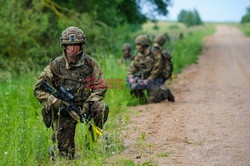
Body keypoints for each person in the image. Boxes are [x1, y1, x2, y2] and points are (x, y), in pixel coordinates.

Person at [34, 26, 109, 160]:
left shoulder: (90, 63)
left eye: (75, 45)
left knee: (102, 108)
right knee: (65, 156)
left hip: (86, 105)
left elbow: (101, 86)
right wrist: (55, 101)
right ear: (64, 46)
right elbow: (38, 89)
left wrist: (89, 103)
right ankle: (57, 148)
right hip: (64, 110)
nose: (72, 49)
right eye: (69, 45)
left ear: (81, 46)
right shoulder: (55, 65)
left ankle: (90, 143)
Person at [127, 35, 168, 103]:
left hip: (154, 80)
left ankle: (165, 92)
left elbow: (156, 71)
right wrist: (131, 78)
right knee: (133, 87)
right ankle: (143, 101)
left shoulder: (155, 54)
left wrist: (148, 80)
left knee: (153, 100)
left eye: (138, 45)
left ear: (144, 45)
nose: (137, 47)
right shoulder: (139, 56)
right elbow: (132, 69)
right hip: (144, 79)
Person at [152, 34, 175, 102]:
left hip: (158, 77)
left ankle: (166, 93)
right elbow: (169, 69)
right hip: (154, 76)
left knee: (153, 99)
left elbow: (168, 68)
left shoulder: (161, 53)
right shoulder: (164, 53)